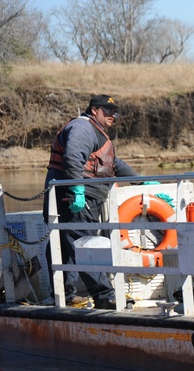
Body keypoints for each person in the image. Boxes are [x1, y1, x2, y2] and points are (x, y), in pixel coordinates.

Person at [44, 94, 150, 309]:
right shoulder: (82, 128)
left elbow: (114, 163)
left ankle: (65, 294)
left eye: (115, 112)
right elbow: (73, 157)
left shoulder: (97, 134)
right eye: (108, 110)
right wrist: (76, 191)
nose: (113, 115)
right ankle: (105, 296)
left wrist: (142, 182)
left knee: (67, 242)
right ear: (94, 110)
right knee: (83, 242)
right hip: (74, 197)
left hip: (83, 196)